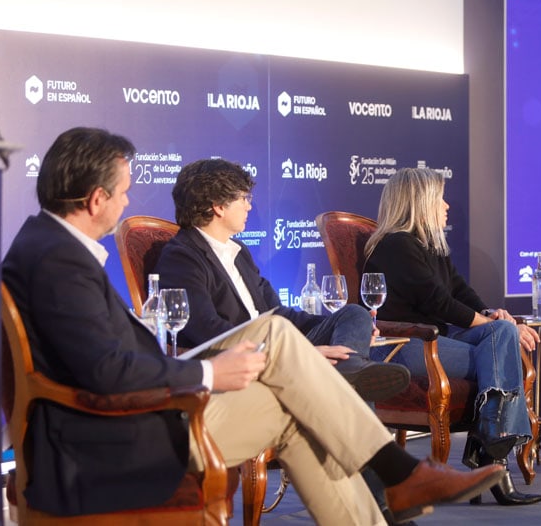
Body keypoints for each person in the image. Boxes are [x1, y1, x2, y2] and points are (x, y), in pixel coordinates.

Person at [2, 127, 504, 524]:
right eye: (124, 193)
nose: (128, 203)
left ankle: (393, 477)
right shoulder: (57, 263)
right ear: (95, 199)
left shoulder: (50, 252)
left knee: (298, 407)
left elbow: (104, 360)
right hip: (104, 446)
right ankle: (398, 469)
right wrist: (208, 376)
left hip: (125, 425)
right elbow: (107, 371)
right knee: (278, 339)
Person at [154, 157, 412, 523]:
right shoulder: (182, 256)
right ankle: (383, 488)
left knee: (353, 314)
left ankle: (347, 371)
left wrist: (317, 337)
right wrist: (294, 353)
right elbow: (204, 330)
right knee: (282, 338)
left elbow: (280, 313)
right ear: (217, 205)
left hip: (276, 342)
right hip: (240, 360)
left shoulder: (240, 252)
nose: (249, 205)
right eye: (243, 198)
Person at [364, 167, 541, 506]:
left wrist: (490, 314)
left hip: (440, 340)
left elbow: (459, 290)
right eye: (440, 199)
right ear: (419, 203)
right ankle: (491, 457)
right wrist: (485, 321)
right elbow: (437, 301)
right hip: (407, 347)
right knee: (500, 355)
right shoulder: (395, 246)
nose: (446, 206)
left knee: (501, 331)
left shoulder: (428, 244)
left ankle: (490, 454)